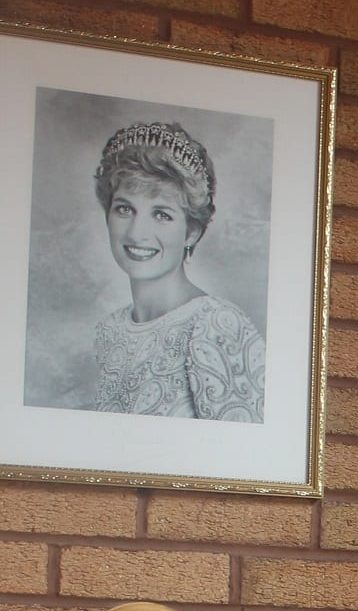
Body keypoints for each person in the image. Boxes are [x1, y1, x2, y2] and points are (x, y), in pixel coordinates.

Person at [91, 120, 265, 422]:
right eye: (124, 209)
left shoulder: (217, 327)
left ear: (192, 232)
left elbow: (249, 459)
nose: (137, 233)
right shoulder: (107, 332)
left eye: (161, 214)